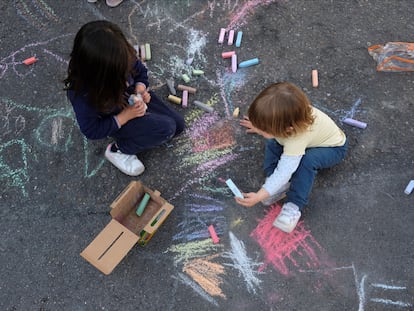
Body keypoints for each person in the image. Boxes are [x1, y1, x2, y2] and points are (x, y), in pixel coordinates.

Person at [64, 20, 185, 176]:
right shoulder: (83, 95)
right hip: (117, 117)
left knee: (178, 126)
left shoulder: (121, 58)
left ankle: (143, 123)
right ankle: (118, 150)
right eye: (118, 75)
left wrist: (140, 90)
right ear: (99, 75)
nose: (125, 75)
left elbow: (140, 72)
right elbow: (91, 130)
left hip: (133, 101)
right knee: (167, 128)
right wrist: (125, 116)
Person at [236, 82, 348, 233]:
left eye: (264, 127)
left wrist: (259, 195)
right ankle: (275, 183)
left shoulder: (297, 139)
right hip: (302, 140)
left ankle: (293, 206)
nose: (260, 130)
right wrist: (259, 125)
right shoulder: (290, 117)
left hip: (333, 149)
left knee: (306, 161)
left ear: (287, 129)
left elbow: (285, 171)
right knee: (272, 141)